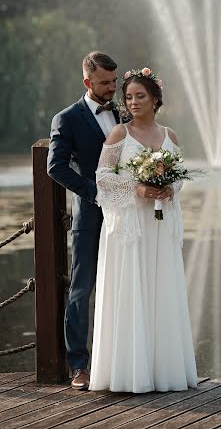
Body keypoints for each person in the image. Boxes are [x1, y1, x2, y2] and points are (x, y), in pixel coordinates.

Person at [89, 67, 198, 392]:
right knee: (133, 288)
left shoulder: (171, 136)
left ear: (155, 99)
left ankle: (164, 372)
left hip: (159, 226)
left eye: (140, 96)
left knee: (161, 289)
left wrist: (169, 188)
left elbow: (178, 177)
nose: (133, 102)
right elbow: (102, 177)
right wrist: (136, 188)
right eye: (129, 97)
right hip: (131, 230)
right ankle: (129, 373)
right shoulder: (119, 135)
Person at [47, 51, 119, 390]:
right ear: (87, 82)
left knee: (123, 284)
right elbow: (55, 168)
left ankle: (118, 360)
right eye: (105, 83)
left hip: (126, 215)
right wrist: (94, 193)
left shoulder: (122, 111)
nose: (112, 88)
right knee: (82, 290)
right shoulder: (66, 118)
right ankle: (79, 366)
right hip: (90, 215)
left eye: (114, 81)